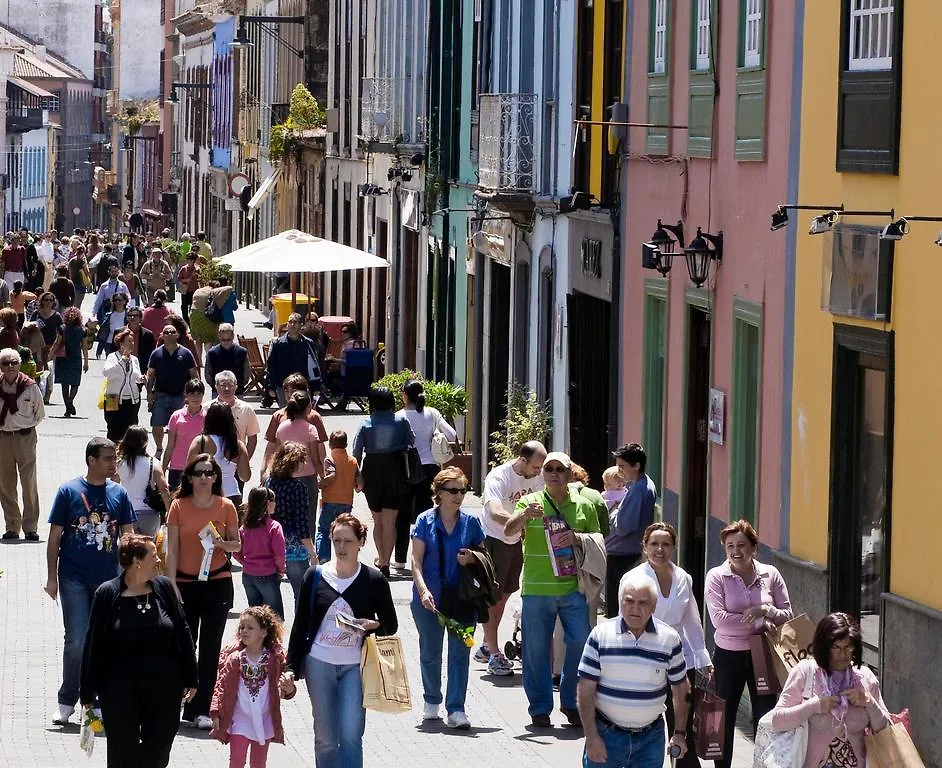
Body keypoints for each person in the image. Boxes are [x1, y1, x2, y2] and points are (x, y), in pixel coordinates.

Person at [283, 513, 397, 768]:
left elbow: (391, 624)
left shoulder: (374, 580)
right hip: (319, 664)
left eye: (348, 541)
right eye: (336, 541)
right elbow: (300, 624)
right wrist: (290, 668)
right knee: (325, 737)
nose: (341, 548)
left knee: (350, 735)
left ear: (361, 542)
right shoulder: (315, 576)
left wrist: (372, 625)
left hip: (355, 667)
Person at [80, 534, 198, 766]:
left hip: (164, 687)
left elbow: (183, 632)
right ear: (137, 561)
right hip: (119, 690)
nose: (158, 559)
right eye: (153, 555)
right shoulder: (107, 593)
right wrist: (87, 692)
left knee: (160, 747)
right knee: (122, 752)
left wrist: (191, 677)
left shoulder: (163, 587)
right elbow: (93, 642)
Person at [504, 450, 600, 728]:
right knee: (534, 650)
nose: (555, 474)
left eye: (560, 469)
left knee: (581, 643)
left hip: (573, 587)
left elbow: (597, 540)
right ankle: (540, 707)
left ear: (570, 474)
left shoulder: (584, 505)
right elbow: (509, 531)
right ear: (542, 474)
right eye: (549, 469)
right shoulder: (529, 501)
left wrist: (578, 538)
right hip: (536, 588)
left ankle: (570, 702)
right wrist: (523, 516)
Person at [45, 437, 136, 725]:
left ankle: (94, 700)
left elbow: (128, 535)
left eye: (114, 458)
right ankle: (66, 699)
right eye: (108, 458)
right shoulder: (68, 491)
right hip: (72, 577)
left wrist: (133, 576)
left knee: (103, 642)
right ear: (91, 460)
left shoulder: (119, 494)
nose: (113, 464)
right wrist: (51, 577)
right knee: (76, 641)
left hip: (108, 582)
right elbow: (55, 538)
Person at [577, 572, 691, 768]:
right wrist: (591, 736)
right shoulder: (600, 636)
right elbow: (585, 689)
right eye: (629, 601)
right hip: (606, 735)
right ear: (621, 602)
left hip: (650, 740)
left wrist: (680, 733)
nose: (635, 608)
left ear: (654, 607)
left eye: (643, 603)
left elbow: (681, 688)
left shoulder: (669, 639)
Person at [705, 519, 793, 768]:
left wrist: (764, 608)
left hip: (764, 655)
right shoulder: (716, 576)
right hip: (728, 655)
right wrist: (761, 622)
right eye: (730, 545)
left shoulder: (771, 574)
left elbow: (787, 613)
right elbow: (719, 620)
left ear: (754, 547)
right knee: (724, 718)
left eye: (741, 545)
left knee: (765, 718)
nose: (735, 551)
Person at [165, 453, 242, 729]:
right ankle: (176, 700)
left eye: (210, 473)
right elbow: (171, 548)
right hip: (184, 583)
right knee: (184, 646)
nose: (204, 478)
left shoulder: (225, 507)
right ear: (189, 476)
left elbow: (237, 545)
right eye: (199, 473)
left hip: (217, 582)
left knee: (210, 649)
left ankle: (202, 708)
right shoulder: (178, 506)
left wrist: (220, 543)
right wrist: (170, 582)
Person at [626, 524, 711, 768]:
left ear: (673, 547)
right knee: (644, 723)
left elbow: (691, 620)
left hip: (679, 658)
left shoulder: (683, 578)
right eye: (654, 544)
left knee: (681, 726)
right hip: (644, 657)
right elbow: (625, 621)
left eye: (665, 544)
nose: (659, 549)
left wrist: (702, 657)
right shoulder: (632, 579)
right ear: (644, 547)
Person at [411, 467, 486, 728]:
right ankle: (432, 700)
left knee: (460, 653)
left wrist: (473, 558)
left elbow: (485, 557)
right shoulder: (424, 521)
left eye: (462, 490)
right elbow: (416, 560)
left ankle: (456, 709)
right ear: (439, 493)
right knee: (430, 652)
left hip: (463, 598)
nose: (459, 496)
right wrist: (422, 590)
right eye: (453, 490)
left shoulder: (472, 523)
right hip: (430, 597)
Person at [768, 612, 890, 768]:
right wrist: (813, 706)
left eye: (848, 647)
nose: (843, 654)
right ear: (824, 646)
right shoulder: (805, 673)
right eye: (836, 647)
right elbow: (777, 721)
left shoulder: (865, 678)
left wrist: (869, 702)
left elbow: (886, 730)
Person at [474, 440, 546, 676]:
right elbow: (494, 512)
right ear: (523, 460)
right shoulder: (498, 477)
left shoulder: (537, 476)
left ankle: (486, 645)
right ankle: (493, 652)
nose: (540, 471)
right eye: (536, 467)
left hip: (517, 542)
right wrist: (519, 522)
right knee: (492, 598)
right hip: (495, 540)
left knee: (504, 596)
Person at [210, 606, 292, 768]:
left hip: (264, 720)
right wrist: (215, 713)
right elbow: (221, 686)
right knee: (236, 762)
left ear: (263, 632)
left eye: (250, 627)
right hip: (240, 720)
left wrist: (289, 689)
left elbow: (286, 687)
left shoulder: (274, 659)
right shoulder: (234, 658)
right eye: (242, 627)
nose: (244, 631)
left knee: (259, 764)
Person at [352, 386, 415, 577]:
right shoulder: (401, 420)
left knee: (377, 520)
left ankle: (382, 559)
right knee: (390, 522)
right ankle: (387, 561)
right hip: (395, 472)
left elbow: (356, 453)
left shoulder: (365, 423)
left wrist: (358, 476)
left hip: (372, 473)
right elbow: (411, 441)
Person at [395, 379, 457, 569]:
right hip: (430, 467)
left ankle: (399, 560)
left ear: (405, 395)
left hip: (406, 467)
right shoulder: (432, 413)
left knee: (403, 515)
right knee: (426, 514)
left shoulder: (399, 416)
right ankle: (426, 555)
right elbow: (452, 434)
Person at [604, 443, 657, 618]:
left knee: (617, 608)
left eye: (622, 467)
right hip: (625, 552)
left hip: (623, 555)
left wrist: (613, 512)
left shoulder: (640, 489)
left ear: (636, 466)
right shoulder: (640, 484)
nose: (619, 472)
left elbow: (623, 527)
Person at [0, 348, 45, 540]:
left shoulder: (30, 387)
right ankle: (12, 526)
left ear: (20, 364)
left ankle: (30, 527)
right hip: (2, 437)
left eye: (13, 363)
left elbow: (40, 414)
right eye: (5, 363)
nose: (10, 366)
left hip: (25, 437)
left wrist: (26, 427)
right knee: (5, 484)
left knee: (28, 482)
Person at [265, 441, 317, 602]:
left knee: (271, 596)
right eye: (302, 460)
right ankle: (300, 627)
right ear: (294, 463)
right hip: (293, 547)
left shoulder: (269, 482)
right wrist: (312, 552)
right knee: (302, 594)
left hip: (270, 543)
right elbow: (302, 522)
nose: (304, 463)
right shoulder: (298, 487)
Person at [273, 390, 323, 537]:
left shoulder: (281, 427)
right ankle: (308, 552)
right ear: (309, 407)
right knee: (307, 518)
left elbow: (277, 455)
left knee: (285, 518)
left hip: (284, 478)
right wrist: (323, 476)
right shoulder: (310, 429)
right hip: (307, 480)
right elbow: (316, 459)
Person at [261, 373, 328, 481]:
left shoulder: (314, 417)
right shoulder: (278, 416)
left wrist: (323, 472)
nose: (289, 393)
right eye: (286, 390)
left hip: (307, 472)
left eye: (294, 390)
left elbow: (320, 447)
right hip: (284, 472)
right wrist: (265, 469)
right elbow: (272, 446)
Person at [146, 323, 199, 460]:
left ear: (178, 335)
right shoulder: (156, 353)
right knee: (157, 424)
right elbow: (150, 375)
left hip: (180, 396)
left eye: (172, 332)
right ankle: (159, 448)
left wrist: (193, 393)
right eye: (166, 332)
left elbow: (194, 374)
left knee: (179, 426)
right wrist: (149, 393)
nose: (169, 334)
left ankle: (176, 448)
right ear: (162, 336)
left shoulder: (186, 353)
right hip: (161, 394)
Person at [234, 488, 287, 619]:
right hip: (268, 574)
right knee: (274, 617)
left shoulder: (244, 528)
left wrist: (246, 563)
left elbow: (236, 552)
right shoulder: (274, 527)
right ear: (268, 503)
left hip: (248, 575)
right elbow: (279, 554)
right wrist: (281, 570)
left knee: (255, 617)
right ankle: (272, 640)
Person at [186, 402, 251, 507]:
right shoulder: (238, 445)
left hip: (206, 495)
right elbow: (245, 477)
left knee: (207, 524)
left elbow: (188, 470)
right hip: (232, 495)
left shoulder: (200, 442)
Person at [116, 425, 172, 537]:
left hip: (127, 514)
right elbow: (164, 489)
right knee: (148, 549)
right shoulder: (153, 463)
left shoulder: (120, 463)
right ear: (145, 442)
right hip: (149, 514)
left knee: (129, 550)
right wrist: (169, 512)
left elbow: (114, 486)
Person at [317, 430, 362, 562]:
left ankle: (324, 558)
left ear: (330, 444)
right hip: (346, 502)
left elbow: (331, 475)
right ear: (346, 444)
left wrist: (321, 484)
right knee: (343, 531)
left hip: (330, 501)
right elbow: (359, 484)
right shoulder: (353, 461)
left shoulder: (329, 459)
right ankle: (343, 557)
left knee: (324, 530)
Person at [266, 313, 322, 407]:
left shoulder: (308, 343)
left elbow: (314, 365)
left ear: (301, 325)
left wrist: (316, 386)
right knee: (286, 414)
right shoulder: (278, 344)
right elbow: (271, 366)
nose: (292, 325)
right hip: (283, 386)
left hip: (303, 385)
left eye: (295, 322)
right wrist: (271, 386)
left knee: (303, 414)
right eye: (290, 322)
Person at [102, 328, 145, 442]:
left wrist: (142, 379)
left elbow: (137, 376)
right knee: (112, 428)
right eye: (129, 341)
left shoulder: (135, 359)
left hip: (132, 399)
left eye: (133, 341)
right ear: (121, 344)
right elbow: (106, 372)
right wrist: (122, 360)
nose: (132, 344)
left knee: (130, 429)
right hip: (112, 397)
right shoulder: (112, 357)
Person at [162, 379, 206, 491]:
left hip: (199, 467)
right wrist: (163, 468)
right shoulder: (176, 416)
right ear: (186, 395)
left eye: (198, 394)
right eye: (191, 394)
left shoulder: (208, 417)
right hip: (177, 466)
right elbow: (170, 444)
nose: (195, 398)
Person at [213, 369, 260, 461]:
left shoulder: (246, 409)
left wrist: (244, 461)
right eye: (223, 385)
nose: (227, 389)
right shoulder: (207, 408)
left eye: (230, 385)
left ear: (236, 387)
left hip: (236, 461)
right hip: (212, 464)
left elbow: (252, 438)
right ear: (216, 387)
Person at [53, 306, 89, 418]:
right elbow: (84, 347)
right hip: (76, 358)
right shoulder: (83, 330)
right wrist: (86, 362)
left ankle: (68, 405)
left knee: (65, 384)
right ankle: (70, 403)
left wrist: (50, 354)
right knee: (75, 383)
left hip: (63, 358)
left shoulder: (62, 328)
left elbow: (57, 343)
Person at [205, 323, 251, 396]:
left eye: (228, 340)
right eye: (223, 340)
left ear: (233, 336)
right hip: (218, 393)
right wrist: (217, 387)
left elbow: (247, 372)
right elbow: (208, 374)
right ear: (219, 336)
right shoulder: (212, 353)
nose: (226, 342)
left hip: (237, 392)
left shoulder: (242, 352)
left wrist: (239, 385)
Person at [190, 282, 235, 355]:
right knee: (208, 339)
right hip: (204, 316)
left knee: (198, 340)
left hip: (193, 315)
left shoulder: (198, 290)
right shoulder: (212, 291)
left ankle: (199, 361)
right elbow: (229, 288)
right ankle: (209, 358)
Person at [125, 305, 157, 373]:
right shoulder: (119, 332)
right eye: (130, 315)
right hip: (123, 368)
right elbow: (113, 351)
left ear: (140, 318)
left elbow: (152, 354)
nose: (132, 317)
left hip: (141, 369)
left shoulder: (148, 334)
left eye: (135, 315)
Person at [96, 291, 129, 355]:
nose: (117, 302)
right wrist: (100, 348)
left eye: (120, 300)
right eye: (115, 300)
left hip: (124, 344)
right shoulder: (109, 315)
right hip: (109, 344)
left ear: (125, 301)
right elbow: (103, 332)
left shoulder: (129, 315)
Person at [177, 251, 199, 321]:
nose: (188, 261)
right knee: (184, 308)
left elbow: (201, 279)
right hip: (185, 291)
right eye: (187, 259)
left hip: (194, 291)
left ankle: (191, 321)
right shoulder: (183, 268)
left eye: (189, 259)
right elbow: (179, 279)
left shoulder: (197, 269)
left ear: (193, 260)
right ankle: (186, 321)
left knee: (192, 308)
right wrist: (186, 280)